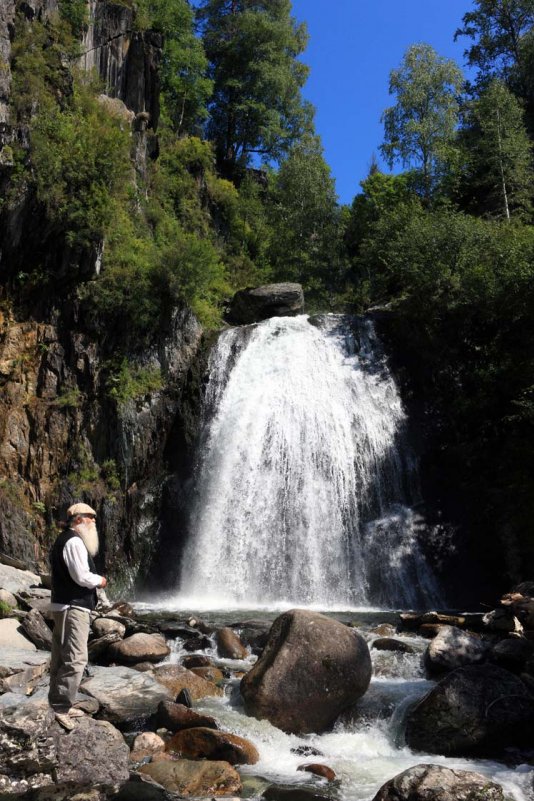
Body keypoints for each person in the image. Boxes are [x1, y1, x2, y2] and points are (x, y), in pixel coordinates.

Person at [48, 502, 107, 730]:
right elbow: (81, 576)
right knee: (75, 658)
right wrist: (99, 580)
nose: (94, 521)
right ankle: (61, 708)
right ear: (79, 519)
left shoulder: (65, 539)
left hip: (64, 605)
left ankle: (58, 703)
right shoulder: (73, 541)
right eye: (90, 517)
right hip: (74, 608)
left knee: (62, 656)